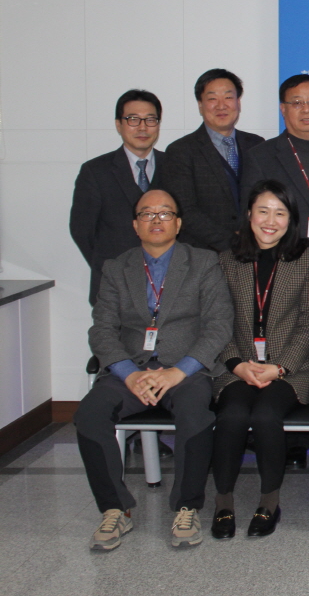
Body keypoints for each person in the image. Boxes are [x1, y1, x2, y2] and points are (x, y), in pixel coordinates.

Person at [76, 189, 233, 551]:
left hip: (185, 371)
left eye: (166, 213)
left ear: (179, 223)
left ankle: (187, 508)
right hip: (131, 371)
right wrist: (128, 373)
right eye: (147, 214)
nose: (156, 220)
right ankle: (115, 509)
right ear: (135, 225)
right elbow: (101, 330)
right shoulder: (117, 267)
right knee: (90, 414)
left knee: (195, 413)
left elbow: (219, 325)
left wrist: (178, 371)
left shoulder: (204, 263)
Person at [209, 179, 309, 539]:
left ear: (291, 219)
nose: (271, 221)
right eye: (263, 211)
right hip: (237, 365)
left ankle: (269, 501)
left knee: (266, 414)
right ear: (249, 215)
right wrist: (236, 364)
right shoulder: (226, 261)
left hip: (290, 368)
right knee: (232, 415)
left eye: (280, 213)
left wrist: (280, 366)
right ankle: (223, 501)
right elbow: (216, 322)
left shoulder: (306, 259)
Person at [70, 89, 166, 305]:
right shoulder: (95, 171)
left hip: (169, 289)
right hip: (114, 290)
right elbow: (82, 231)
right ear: (118, 124)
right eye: (133, 119)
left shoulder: (175, 166)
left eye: (150, 119)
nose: (142, 127)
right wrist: (109, 268)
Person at [241, 74, 309, 259]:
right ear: (283, 109)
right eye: (297, 103)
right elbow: (249, 215)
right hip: (283, 258)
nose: (306, 109)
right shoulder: (260, 157)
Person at [162, 69, 265, 252]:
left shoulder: (257, 145)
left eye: (228, 97)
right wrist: (234, 243)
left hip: (256, 252)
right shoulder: (180, 151)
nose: (221, 105)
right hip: (203, 256)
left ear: (238, 103)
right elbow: (185, 210)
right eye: (212, 98)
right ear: (200, 105)